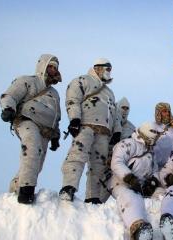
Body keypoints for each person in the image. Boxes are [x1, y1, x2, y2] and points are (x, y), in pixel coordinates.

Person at [0, 54, 62, 204]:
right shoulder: (28, 81)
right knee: (32, 149)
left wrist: (56, 135)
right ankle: (26, 191)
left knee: (36, 163)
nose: (53, 70)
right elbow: (10, 95)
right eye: (50, 66)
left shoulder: (54, 94)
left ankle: (15, 189)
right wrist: (8, 108)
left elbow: (56, 117)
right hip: (27, 120)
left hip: (46, 130)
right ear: (42, 66)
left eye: (55, 67)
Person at [59, 58, 121, 204]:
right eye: (107, 68)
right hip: (85, 125)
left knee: (98, 165)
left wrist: (116, 130)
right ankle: (69, 187)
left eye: (110, 69)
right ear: (97, 68)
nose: (109, 72)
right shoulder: (83, 81)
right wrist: (74, 119)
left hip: (104, 132)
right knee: (77, 156)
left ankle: (93, 196)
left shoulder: (109, 93)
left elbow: (115, 113)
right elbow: (73, 99)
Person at [110, 122, 163, 240]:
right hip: (122, 183)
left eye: (157, 134)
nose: (156, 136)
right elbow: (116, 162)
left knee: (161, 194)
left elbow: (155, 170)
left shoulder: (151, 151)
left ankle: (164, 225)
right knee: (129, 197)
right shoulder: (128, 144)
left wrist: (153, 182)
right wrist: (130, 179)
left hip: (142, 186)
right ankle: (138, 228)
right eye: (154, 133)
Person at [153, 102, 173, 169]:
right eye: (164, 111)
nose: (167, 114)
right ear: (158, 113)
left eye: (168, 111)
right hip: (162, 167)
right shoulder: (154, 127)